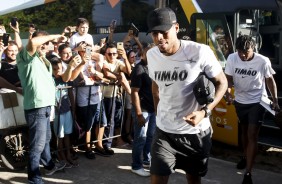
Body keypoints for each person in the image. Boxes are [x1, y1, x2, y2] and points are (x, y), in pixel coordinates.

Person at [146, 7, 228, 184]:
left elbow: (222, 82)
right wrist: (159, 114)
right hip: (164, 133)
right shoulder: (151, 55)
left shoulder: (200, 52)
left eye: (163, 32)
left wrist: (205, 112)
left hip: (195, 133)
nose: (159, 38)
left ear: (176, 28)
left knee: (193, 179)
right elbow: (155, 88)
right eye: (154, 33)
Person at [224, 34, 280, 184]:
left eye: (246, 51)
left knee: (252, 135)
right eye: (240, 51)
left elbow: (270, 80)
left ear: (253, 48)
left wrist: (275, 101)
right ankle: (245, 155)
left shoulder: (262, 61)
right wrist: (228, 94)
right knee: (243, 133)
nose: (242, 55)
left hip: (257, 101)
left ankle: (248, 173)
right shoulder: (232, 58)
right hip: (240, 101)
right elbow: (227, 79)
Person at [17, 30, 67, 183]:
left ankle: (50, 165)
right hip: (36, 107)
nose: (46, 45)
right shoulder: (26, 56)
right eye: (44, 42)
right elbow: (31, 43)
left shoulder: (43, 59)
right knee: (37, 145)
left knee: (45, 139)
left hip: (45, 106)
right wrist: (55, 36)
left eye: (48, 44)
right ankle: (35, 180)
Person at [49, 55, 79, 168]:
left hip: (66, 110)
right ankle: (60, 156)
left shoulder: (64, 77)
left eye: (59, 68)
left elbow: (68, 83)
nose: (57, 71)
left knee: (67, 135)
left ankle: (68, 154)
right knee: (59, 136)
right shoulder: (50, 79)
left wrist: (73, 109)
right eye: (54, 69)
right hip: (57, 113)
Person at [131, 46, 156, 177]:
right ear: (143, 55)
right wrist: (139, 113)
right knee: (140, 138)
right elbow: (134, 92)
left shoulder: (155, 66)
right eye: (149, 53)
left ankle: (147, 160)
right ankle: (136, 166)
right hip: (143, 110)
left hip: (153, 109)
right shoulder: (138, 69)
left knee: (150, 136)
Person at [0, 20, 22, 94]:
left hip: (25, 94)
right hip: (8, 96)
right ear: (5, 51)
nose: (14, 53)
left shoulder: (22, 63)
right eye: (11, 51)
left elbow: (20, 47)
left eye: (16, 51)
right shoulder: (2, 64)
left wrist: (16, 31)